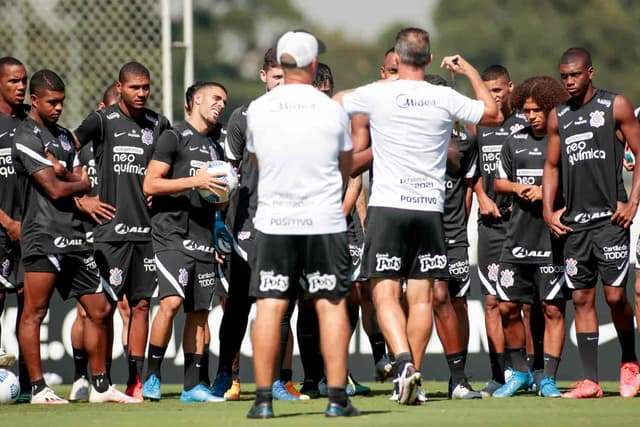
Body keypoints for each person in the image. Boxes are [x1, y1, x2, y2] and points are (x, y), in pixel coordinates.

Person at [336, 27, 502, 405]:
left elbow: (335, 102)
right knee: (424, 297)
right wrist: (471, 71)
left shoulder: (377, 92)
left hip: (388, 207)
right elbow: (493, 113)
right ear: (428, 60)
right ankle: (416, 374)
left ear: (395, 59)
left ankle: (404, 366)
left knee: (385, 294)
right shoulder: (443, 95)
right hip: (429, 210)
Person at [245, 29, 358, 419]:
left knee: (270, 306)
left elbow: (257, 162)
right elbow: (346, 168)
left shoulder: (258, 110)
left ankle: (262, 401)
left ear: (282, 63)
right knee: (330, 306)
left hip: (274, 220)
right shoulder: (332, 109)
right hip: (323, 221)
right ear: (312, 65)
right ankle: (337, 399)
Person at [14, 69, 138, 404]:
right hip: (42, 234)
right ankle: (38, 388)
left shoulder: (65, 138)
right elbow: (55, 188)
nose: (57, 108)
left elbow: (69, 176)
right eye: (51, 102)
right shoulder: (26, 136)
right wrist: (78, 182)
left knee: (99, 309)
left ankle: (99, 386)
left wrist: (69, 176)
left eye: (61, 102)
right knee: (34, 312)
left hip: (75, 234)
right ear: (34, 100)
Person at [543, 47, 640, 399]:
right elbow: (551, 167)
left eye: (575, 75)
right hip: (575, 225)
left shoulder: (615, 106)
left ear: (590, 73)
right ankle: (590, 381)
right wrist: (548, 210)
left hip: (611, 220)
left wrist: (632, 202)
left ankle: (630, 362)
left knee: (615, 297)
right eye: (564, 76)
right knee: (582, 298)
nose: (568, 81)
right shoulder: (558, 116)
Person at [73, 62, 171, 399]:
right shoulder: (102, 120)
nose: (142, 93)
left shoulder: (158, 124)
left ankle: (136, 380)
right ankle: (101, 380)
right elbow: (63, 148)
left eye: (146, 87)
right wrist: (81, 200)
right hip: (110, 231)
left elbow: (172, 163)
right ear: (120, 87)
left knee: (142, 306)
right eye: (134, 88)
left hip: (148, 232)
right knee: (105, 309)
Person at [141, 81, 229, 403]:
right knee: (171, 303)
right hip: (171, 234)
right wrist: (195, 180)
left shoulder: (217, 146)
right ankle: (152, 376)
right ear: (195, 100)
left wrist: (222, 198)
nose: (221, 105)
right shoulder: (173, 137)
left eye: (224, 100)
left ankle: (192, 386)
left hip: (204, 237)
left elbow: (217, 198)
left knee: (199, 314)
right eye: (216, 98)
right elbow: (150, 184)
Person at [211, 48, 285, 401]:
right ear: (263, 76)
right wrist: (219, 224)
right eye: (276, 77)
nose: (281, 84)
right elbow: (228, 176)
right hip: (246, 225)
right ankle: (226, 373)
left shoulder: (302, 117)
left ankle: (276, 382)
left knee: (280, 305)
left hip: (287, 222)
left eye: (287, 77)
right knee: (238, 304)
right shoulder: (243, 117)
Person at [490, 76, 570, 398]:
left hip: (551, 239)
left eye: (537, 110)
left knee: (552, 309)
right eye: (526, 110)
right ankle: (520, 373)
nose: (530, 116)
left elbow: (577, 184)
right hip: (517, 236)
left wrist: (548, 193)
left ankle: (547, 377)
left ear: (551, 109)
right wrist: (517, 188)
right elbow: (497, 182)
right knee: (507, 307)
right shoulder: (515, 140)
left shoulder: (561, 140)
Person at [420, 73, 482, 399]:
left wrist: (459, 226)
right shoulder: (411, 136)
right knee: (431, 298)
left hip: (454, 233)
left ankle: (458, 378)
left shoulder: (466, 140)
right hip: (421, 232)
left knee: (457, 303)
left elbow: (470, 189)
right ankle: (412, 377)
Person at [473, 65, 532, 396]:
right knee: (493, 301)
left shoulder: (527, 122)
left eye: (497, 90)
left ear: (510, 87)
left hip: (524, 222)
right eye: (487, 91)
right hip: (491, 225)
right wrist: (481, 197)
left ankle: (531, 371)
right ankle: (502, 372)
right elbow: (471, 172)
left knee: (525, 302)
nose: (492, 97)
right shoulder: (479, 123)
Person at [68, 83, 119, 402]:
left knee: (110, 308)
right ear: (102, 109)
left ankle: (106, 376)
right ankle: (79, 377)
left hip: (115, 232)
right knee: (85, 311)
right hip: (82, 231)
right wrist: (82, 202)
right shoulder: (81, 145)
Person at [0, 57, 27, 372]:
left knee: (29, 305)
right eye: (13, 81)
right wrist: (7, 222)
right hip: (3, 228)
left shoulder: (30, 123)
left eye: (23, 81)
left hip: (30, 229)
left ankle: (27, 381)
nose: (21, 87)